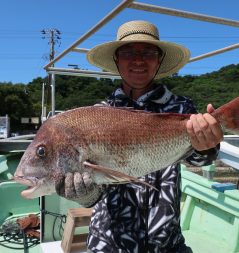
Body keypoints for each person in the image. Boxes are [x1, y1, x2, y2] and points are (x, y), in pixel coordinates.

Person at [55, 20, 223, 252]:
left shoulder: (181, 108)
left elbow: (198, 159)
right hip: (109, 243)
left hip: (166, 242)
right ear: (116, 60)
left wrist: (208, 145)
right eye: (127, 52)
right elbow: (96, 188)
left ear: (159, 60)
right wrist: (85, 194)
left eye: (148, 52)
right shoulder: (97, 114)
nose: (138, 60)